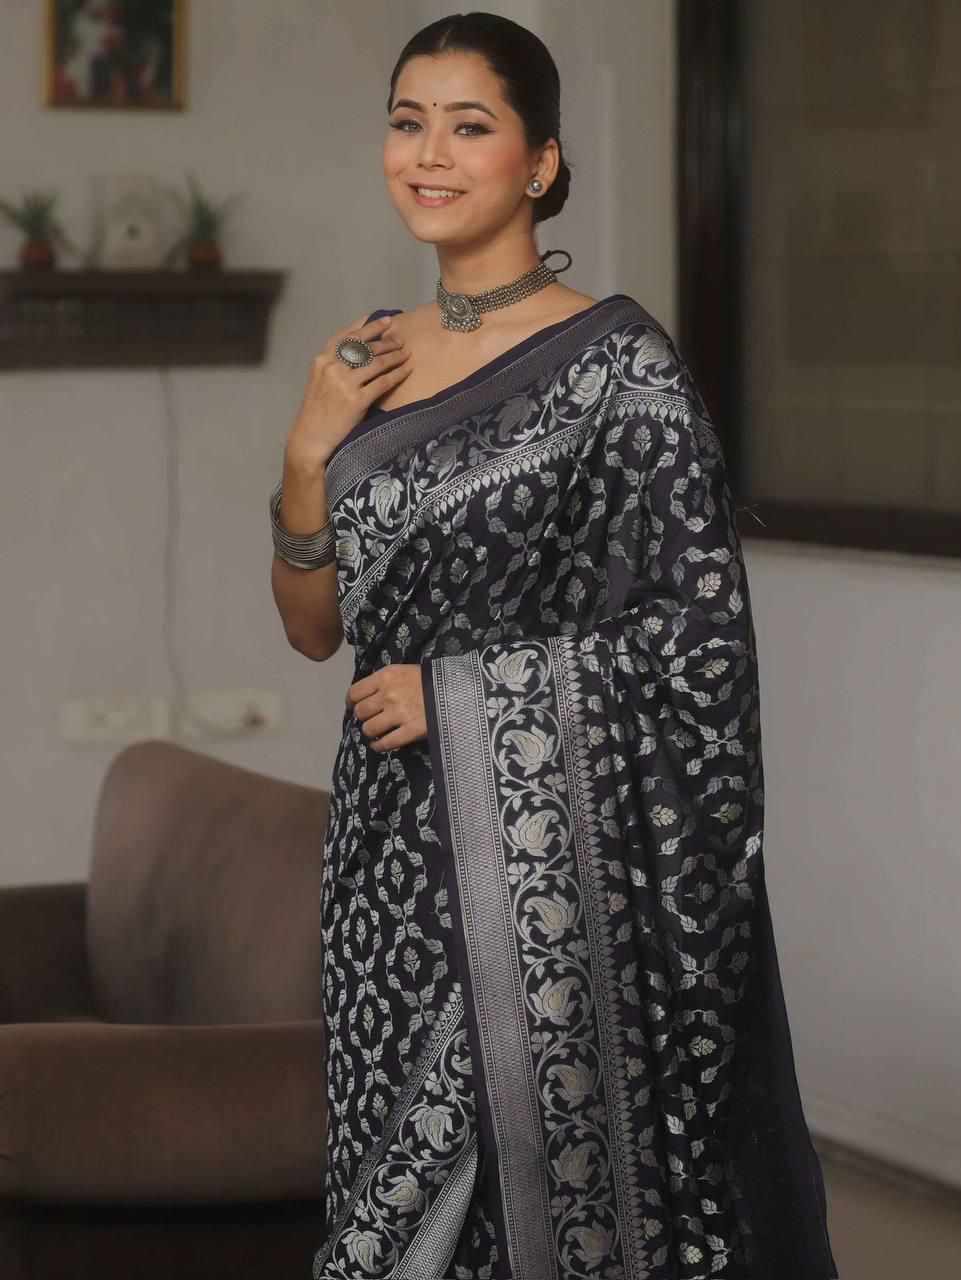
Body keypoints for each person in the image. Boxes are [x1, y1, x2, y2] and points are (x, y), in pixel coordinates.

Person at [269, 12, 839, 1280]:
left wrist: (463, 695)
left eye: (468, 125)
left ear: (539, 163)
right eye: (407, 121)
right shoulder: (368, 360)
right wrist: (308, 447)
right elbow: (313, 627)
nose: (429, 153)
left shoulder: (619, 370)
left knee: (522, 1193)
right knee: (382, 1197)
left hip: (548, 865)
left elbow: (698, 644)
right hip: (384, 858)